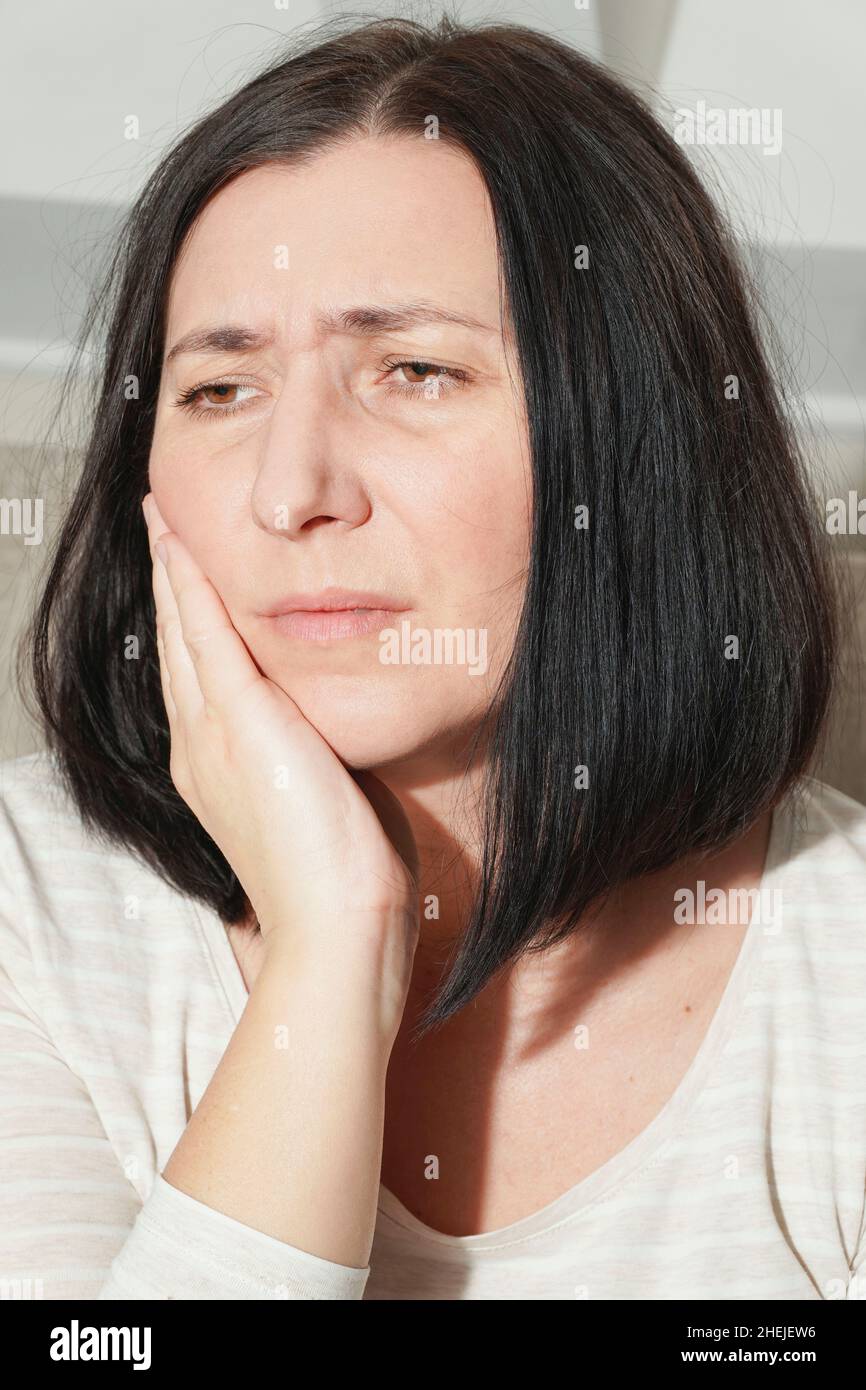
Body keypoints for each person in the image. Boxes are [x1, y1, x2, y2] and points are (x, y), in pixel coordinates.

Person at [1, 13, 864, 1301]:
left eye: (413, 371)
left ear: (638, 444)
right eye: (220, 390)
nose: (291, 491)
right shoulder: (30, 914)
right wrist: (332, 948)